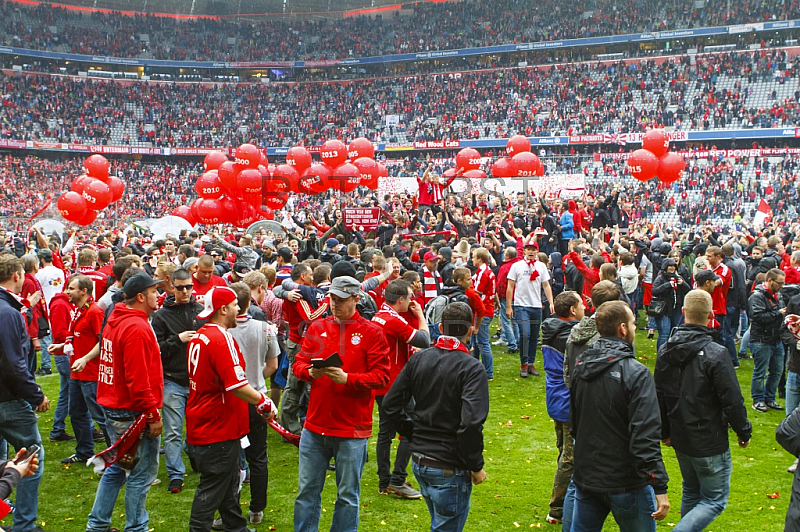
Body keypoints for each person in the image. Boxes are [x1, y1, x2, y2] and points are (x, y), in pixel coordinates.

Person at [292, 276, 391, 532]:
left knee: (347, 496)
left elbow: (382, 377)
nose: (334, 304)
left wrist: (348, 379)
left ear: (356, 299)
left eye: (341, 300)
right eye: (332, 299)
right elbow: (299, 362)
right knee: (306, 492)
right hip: (315, 426)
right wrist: (309, 372)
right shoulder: (317, 328)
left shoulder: (372, 332)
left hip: (351, 429)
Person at [382, 301, 489, 531]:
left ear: (440, 327)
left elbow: (391, 405)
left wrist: (413, 433)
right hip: (447, 465)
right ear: (471, 330)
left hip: (422, 461)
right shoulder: (471, 368)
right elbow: (470, 423)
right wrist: (475, 465)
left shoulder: (420, 359)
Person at [654, 289, 751, 532]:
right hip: (706, 439)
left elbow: (659, 396)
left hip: (683, 435)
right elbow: (732, 399)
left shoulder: (670, 350)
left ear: (683, 312)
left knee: (692, 489)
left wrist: (665, 431)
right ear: (711, 316)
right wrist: (743, 430)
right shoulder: (712, 353)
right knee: (714, 499)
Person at [570, 300, 670, 531]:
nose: (635, 328)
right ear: (623, 328)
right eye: (633, 323)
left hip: (588, 476)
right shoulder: (636, 374)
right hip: (625, 482)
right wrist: (660, 486)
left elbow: (575, 423)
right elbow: (645, 435)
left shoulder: (581, 366)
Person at [186, 286, 277, 532]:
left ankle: (236, 527)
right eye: (235, 305)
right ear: (223, 309)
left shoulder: (201, 335)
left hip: (206, 420)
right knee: (213, 486)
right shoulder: (220, 337)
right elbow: (236, 384)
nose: (239, 309)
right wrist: (263, 400)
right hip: (217, 425)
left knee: (227, 482)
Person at [87, 272, 163, 532]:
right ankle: (136, 528)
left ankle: (97, 525)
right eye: (154, 291)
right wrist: (152, 414)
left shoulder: (117, 318)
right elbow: (138, 380)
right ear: (141, 296)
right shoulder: (136, 327)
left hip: (115, 406)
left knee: (118, 468)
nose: (158, 295)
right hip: (132, 412)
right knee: (141, 474)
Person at [0, 253, 49, 532]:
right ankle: (25, 526)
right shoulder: (7, 312)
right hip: (8, 398)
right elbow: (13, 365)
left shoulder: (9, 308)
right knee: (30, 458)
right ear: (17, 275)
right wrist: (36, 394)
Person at [372, 280, 430, 498]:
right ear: (400, 300)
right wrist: (421, 315)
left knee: (385, 432)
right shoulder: (392, 320)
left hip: (382, 382)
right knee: (412, 428)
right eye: (409, 297)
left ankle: (384, 481)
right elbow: (424, 339)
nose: (412, 301)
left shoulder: (379, 315)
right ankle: (397, 480)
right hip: (395, 385)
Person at [227, 282, 280, 525]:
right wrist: (256, 378)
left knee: (230, 458)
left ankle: (230, 511)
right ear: (250, 302)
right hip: (256, 398)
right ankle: (257, 509)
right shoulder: (265, 328)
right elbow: (273, 365)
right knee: (258, 456)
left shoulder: (221, 331)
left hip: (230, 400)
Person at [151, 268, 204, 494]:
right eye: (180, 287)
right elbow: (155, 350)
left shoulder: (200, 312)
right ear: (172, 287)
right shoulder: (161, 316)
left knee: (196, 427)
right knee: (173, 430)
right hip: (172, 379)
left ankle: (192, 453)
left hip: (197, 379)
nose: (185, 291)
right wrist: (178, 340)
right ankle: (175, 473)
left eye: (188, 287)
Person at [51, 274, 107, 465]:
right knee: (76, 413)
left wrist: (85, 358)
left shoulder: (94, 312)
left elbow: (103, 342)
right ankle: (84, 451)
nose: (67, 291)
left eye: (71, 288)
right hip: (78, 373)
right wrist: (61, 346)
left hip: (91, 373)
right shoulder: (78, 310)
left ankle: (114, 455)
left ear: (83, 291)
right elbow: (78, 337)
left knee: (101, 416)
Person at [540, 291, 583, 526]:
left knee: (564, 450)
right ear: (573, 310)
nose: (585, 307)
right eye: (581, 304)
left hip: (556, 397)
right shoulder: (570, 336)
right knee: (570, 457)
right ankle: (557, 508)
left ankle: (564, 501)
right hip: (567, 400)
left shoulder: (552, 328)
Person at [506, 240, 554, 378]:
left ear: (537, 251)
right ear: (524, 251)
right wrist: (509, 306)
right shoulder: (517, 266)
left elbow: (546, 285)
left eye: (533, 249)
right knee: (525, 334)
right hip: (521, 306)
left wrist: (551, 302)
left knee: (534, 336)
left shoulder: (541, 266)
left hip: (536, 306)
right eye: (529, 249)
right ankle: (524, 362)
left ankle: (531, 363)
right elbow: (510, 286)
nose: (531, 252)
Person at [748, 268, 787, 413]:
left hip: (776, 338)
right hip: (761, 339)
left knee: (777, 371)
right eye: (779, 283)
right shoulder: (757, 296)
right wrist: (778, 313)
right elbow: (757, 317)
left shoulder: (778, 295)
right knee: (760, 372)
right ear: (770, 280)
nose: (781, 286)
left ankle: (769, 398)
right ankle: (758, 400)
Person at [651, 258, 691, 351]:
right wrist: (667, 285)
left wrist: (683, 284)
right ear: (665, 267)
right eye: (670, 266)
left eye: (674, 266)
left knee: (675, 333)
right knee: (664, 334)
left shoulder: (679, 278)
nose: (672, 268)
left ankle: (671, 353)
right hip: (663, 310)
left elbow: (688, 290)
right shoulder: (660, 278)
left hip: (676, 310)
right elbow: (654, 291)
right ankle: (661, 353)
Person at [471, 247, 496, 380]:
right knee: (477, 341)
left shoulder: (483, 273)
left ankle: (488, 372)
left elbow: (477, 293)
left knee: (482, 342)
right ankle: (476, 368)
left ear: (479, 259)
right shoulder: (487, 271)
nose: (472, 259)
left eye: (474, 257)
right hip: (487, 309)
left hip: (483, 310)